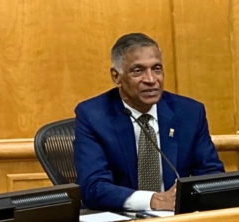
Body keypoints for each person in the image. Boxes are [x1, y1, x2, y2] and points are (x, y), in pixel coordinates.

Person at [74, 33, 225, 211]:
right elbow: (93, 187)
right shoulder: (93, 115)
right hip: (120, 219)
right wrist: (154, 200)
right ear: (116, 77)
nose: (151, 80)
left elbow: (212, 176)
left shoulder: (190, 113)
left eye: (157, 69)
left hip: (177, 217)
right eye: (138, 71)